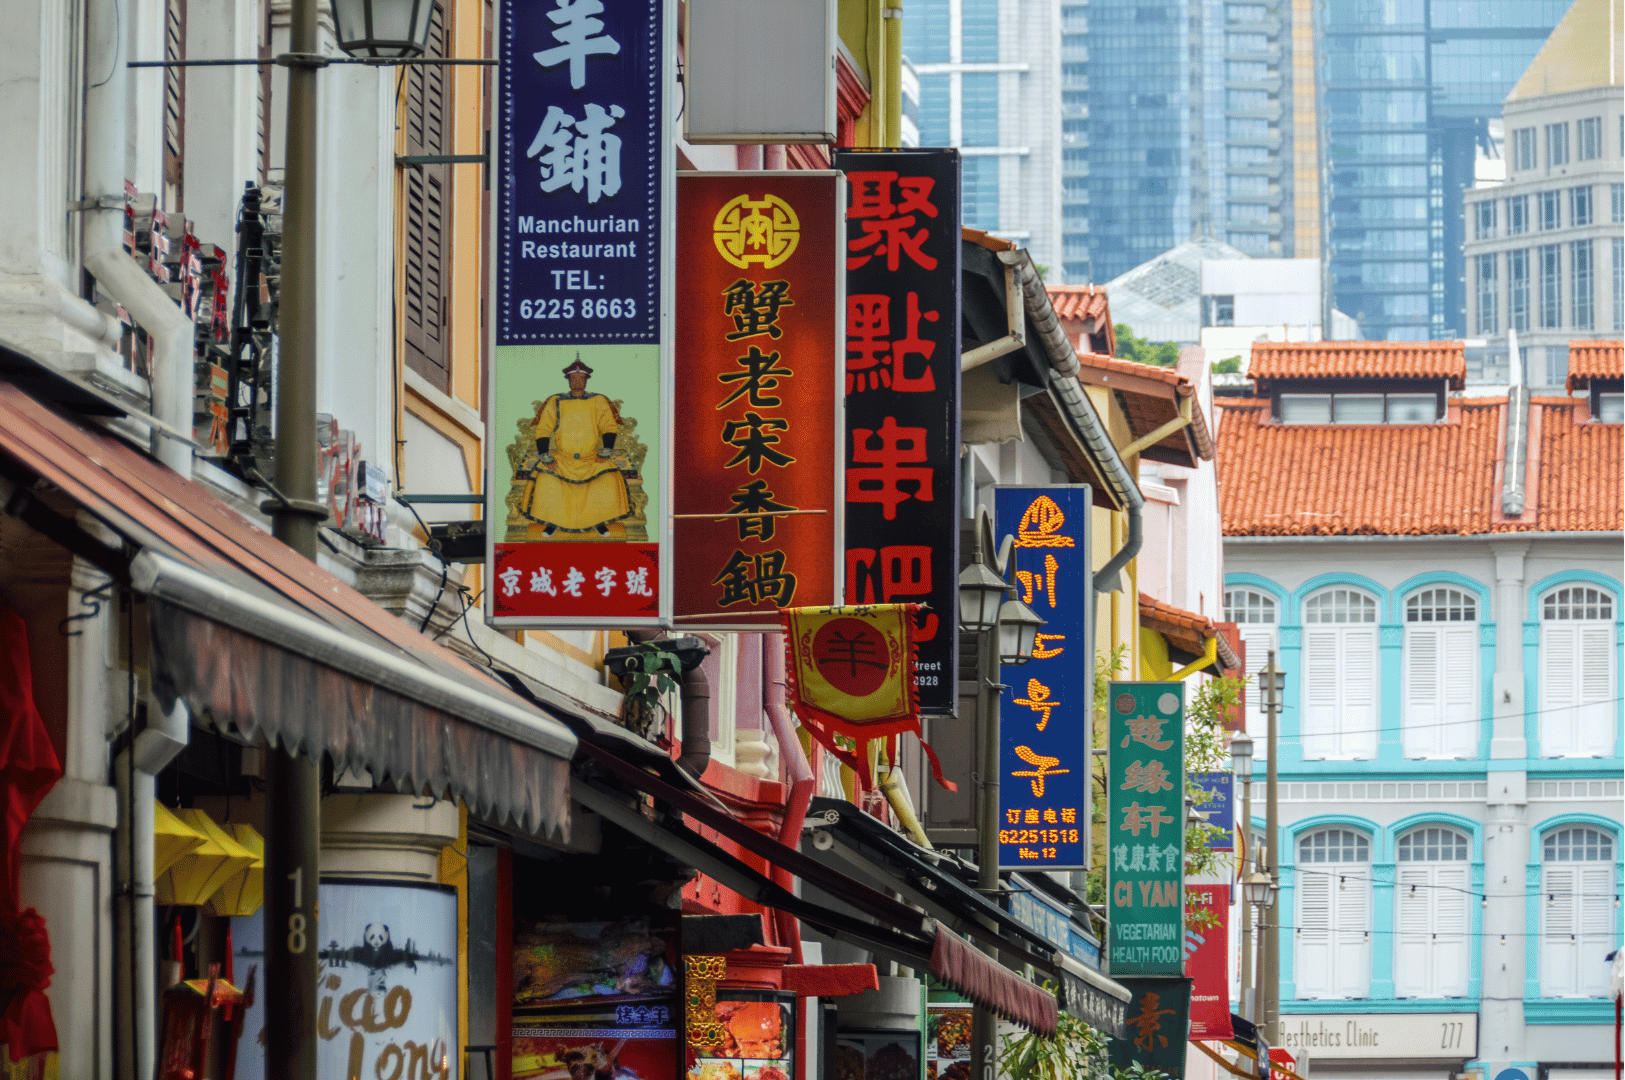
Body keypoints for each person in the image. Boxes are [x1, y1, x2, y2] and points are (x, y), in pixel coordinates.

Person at [521, 357, 632, 535]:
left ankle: (599, 522)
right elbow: (543, 429)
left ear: (586, 380)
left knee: (609, 477)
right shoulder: (556, 401)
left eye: (581, 378)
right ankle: (553, 522)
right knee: (546, 477)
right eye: (574, 378)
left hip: (591, 457)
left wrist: (606, 450)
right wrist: (545, 455)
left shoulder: (598, 400)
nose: (577, 382)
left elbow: (609, 426)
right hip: (563, 458)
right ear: (568, 380)